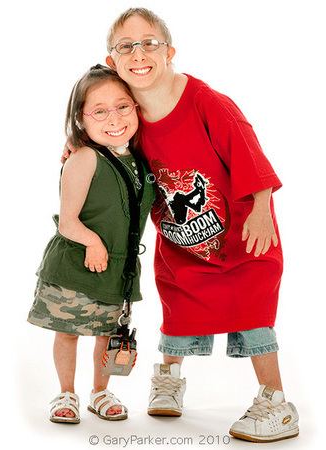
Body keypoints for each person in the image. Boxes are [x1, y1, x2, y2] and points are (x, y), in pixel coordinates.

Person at [63, 8, 299, 442]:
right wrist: (75, 147)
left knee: (253, 314)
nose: (140, 53)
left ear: (169, 51)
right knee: (179, 311)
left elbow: (249, 151)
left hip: (242, 236)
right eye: (126, 46)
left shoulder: (206, 102)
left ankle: (276, 400)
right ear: (113, 61)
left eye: (150, 43)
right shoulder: (131, 120)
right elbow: (104, 134)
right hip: (181, 243)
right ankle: (169, 378)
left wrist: (263, 205)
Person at [27, 64, 155, 423]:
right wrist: (93, 242)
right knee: (69, 333)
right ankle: (65, 393)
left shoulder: (140, 160)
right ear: (81, 119)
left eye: (123, 106)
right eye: (99, 111)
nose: (113, 117)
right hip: (76, 267)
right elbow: (68, 221)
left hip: (118, 270)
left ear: (136, 107)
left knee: (107, 335)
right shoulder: (84, 158)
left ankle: (100, 392)